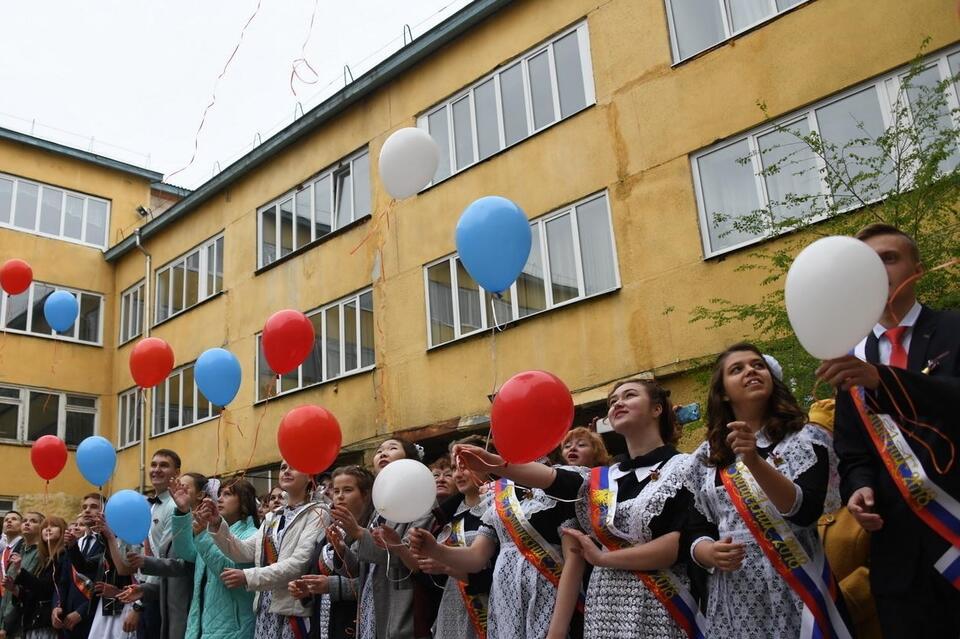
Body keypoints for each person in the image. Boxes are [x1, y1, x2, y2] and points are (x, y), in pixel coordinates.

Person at [819, 223, 960, 638]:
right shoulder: (851, 355)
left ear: (917, 268)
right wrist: (858, 489)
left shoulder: (954, 328)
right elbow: (852, 451)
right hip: (896, 552)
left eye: (889, 258)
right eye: (867, 264)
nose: (878, 271)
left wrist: (885, 382)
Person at [687, 343, 847, 638]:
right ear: (722, 392)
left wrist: (754, 461)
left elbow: (806, 513)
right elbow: (697, 526)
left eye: (758, 365)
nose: (751, 370)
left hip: (799, 584)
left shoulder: (805, 437)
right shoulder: (705, 457)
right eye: (737, 369)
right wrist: (708, 552)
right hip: (737, 594)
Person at [410, 428, 604, 639]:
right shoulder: (498, 493)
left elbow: (574, 559)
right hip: (506, 601)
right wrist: (435, 549)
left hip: (552, 600)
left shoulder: (562, 482)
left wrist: (557, 630)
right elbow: (476, 558)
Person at [203, 460, 325, 639]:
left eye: (294, 466)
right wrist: (216, 525)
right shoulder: (273, 516)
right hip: (265, 607)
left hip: (292, 610)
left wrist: (247, 576)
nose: (286, 471)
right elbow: (244, 551)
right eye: (283, 467)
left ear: (310, 477)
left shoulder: (317, 513)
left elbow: (298, 564)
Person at [329, 437, 433, 639]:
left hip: (400, 612)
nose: (383, 453)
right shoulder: (379, 508)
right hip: (371, 611)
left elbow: (411, 558)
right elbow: (362, 568)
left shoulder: (421, 499)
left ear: (411, 460)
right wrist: (341, 549)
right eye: (379, 451)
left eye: (392, 448)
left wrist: (359, 533)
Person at [807, 400, 882, 639]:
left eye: (826, 440)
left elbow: (887, 567)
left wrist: (836, 601)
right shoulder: (804, 504)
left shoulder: (868, 502)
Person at [118, 474, 208, 639]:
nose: (179, 491)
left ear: (201, 495)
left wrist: (147, 562)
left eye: (185, 487)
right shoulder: (179, 524)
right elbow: (171, 580)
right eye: (177, 486)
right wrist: (145, 590)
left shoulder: (206, 528)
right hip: (170, 614)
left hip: (192, 613)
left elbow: (187, 567)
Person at [422, 437, 494, 639]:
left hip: (489, 608)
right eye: (454, 468)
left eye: (465, 466)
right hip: (452, 607)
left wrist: (447, 565)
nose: (458, 474)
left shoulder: (499, 506)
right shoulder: (448, 514)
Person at [171, 478, 260, 639]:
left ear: (244, 500)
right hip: (201, 627)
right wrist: (183, 511)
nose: (219, 499)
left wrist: (202, 537)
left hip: (233, 630)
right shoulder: (212, 531)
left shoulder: (252, 535)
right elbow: (186, 551)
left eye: (227, 494)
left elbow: (228, 574)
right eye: (219, 494)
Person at [291, 466, 371, 639]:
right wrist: (308, 589)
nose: (340, 496)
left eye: (348, 490)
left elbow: (372, 583)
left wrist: (331, 585)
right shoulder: (330, 529)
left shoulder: (371, 531)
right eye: (336, 491)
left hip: (352, 622)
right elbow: (318, 571)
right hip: (323, 624)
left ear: (365, 494)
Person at [136, 449, 182, 639]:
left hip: (160, 592)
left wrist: (140, 602)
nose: (156, 469)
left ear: (177, 472)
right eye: (154, 464)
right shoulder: (148, 505)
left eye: (164, 465)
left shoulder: (175, 507)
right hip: (142, 587)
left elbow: (164, 556)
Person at [12, 516, 66, 639]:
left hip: (48, 624)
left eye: (53, 526)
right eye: (45, 527)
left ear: (63, 531)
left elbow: (46, 590)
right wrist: (14, 589)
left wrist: (20, 571)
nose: (48, 529)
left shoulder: (63, 557)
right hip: (34, 623)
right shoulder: (45, 561)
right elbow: (33, 595)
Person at [0, 511, 43, 639]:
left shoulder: (41, 553)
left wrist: (5, 626)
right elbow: (7, 592)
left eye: (33, 521)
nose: (27, 523)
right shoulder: (20, 551)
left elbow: (22, 590)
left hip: (21, 623)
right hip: (6, 622)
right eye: (25, 521)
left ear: (42, 527)